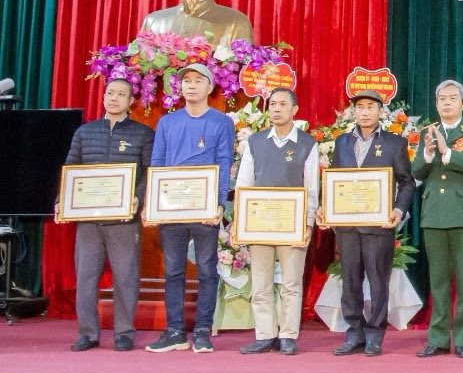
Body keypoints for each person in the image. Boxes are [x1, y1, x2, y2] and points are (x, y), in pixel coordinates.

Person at [144, 64, 235, 353]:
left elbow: (224, 163)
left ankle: (203, 332)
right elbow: (157, 163)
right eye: (186, 81)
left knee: (208, 270)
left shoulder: (221, 122)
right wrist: (151, 202)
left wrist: (219, 203)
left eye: (198, 81)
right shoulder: (167, 123)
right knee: (173, 271)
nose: (191, 86)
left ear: (210, 87)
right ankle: (174, 332)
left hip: (205, 209)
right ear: (179, 88)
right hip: (171, 209)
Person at [63, 78, 154, 352]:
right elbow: (70, 170)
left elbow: (149, 172)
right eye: (110, 93)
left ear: (131, 101)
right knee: (86, 277)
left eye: (121, 94)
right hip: (89, 220)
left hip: (124, 221)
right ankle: (87, 333)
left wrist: (138, 197)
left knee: (126, 278)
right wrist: (62, 201)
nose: (114, 98)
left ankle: (124, 332)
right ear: (103, 97)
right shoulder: (84, 133)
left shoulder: (143, 133)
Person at [327, 89, 415, 356]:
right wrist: (327, 210)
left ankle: (375, 334)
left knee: (378, 282)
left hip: (379, 225)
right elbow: (333, 181)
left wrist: (398, 211)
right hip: (347, 226)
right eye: (359, 107)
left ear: (380, 111)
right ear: (354, 111)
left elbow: (406, 182)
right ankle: (354, 333)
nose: (364, 112)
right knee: (350, 281)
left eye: (370, 107)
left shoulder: (394, 143)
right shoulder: (341, 142)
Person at [412, 79, 463, 359]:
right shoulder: (427, 132)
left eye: (452, 99)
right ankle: (437, 339)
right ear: (436, 104)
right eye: (441, 99)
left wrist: (447, 153)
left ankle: (462, 340)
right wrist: (427, 153)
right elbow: (416, 172)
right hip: (434, 215)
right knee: (439, 281)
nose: (446, 103)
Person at [234, 87, 318, 356]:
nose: (277, 109)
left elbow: (312, 188)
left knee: (291, 283)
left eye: (283, 104)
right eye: (272, 104)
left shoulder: (307, 143)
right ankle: (264, 334)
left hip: (292, 227)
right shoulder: (256, 142)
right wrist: (240, 224)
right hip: (259, 224)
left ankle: (288, 335)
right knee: (260, 283)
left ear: (295, 110)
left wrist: (307, 225)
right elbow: (243, 184)